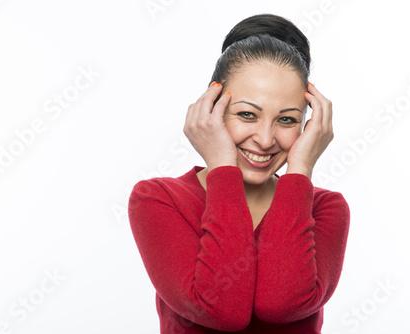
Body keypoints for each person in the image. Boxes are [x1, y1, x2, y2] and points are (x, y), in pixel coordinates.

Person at [128, 13, 350, 333]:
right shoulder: (158, 199)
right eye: (247, 114)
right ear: (211, 107)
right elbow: (222, 310)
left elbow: (281, 303)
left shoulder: (326, 208)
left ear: (309, 125)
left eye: (287, 120)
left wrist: (301, 168)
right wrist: (222, 168)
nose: (264, 139)